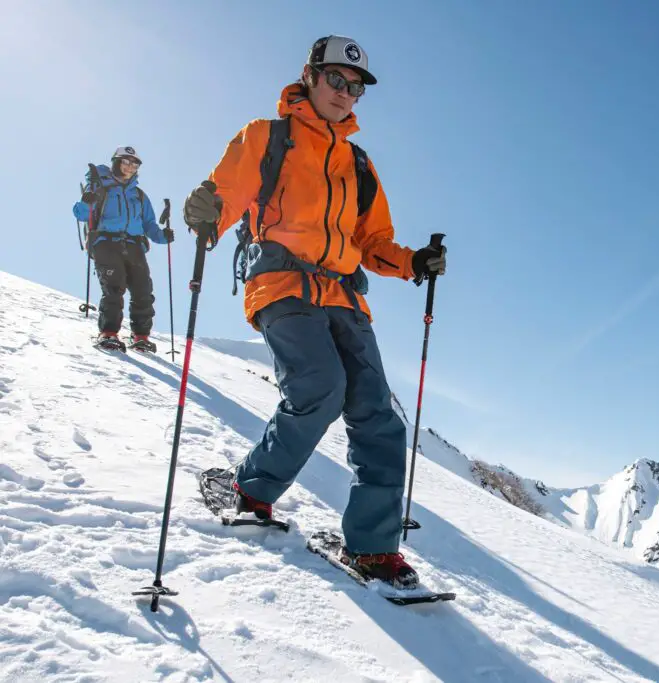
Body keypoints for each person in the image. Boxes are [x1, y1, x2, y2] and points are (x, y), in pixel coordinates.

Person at [182, 35, 446, 588]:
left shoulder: (360, 162)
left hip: (345, 296)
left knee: (378, 413)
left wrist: (414, 261)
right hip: (280, 283)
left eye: (356, 88)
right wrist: (209, 210)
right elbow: (226, 192)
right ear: (309, 75)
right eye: (336, 80)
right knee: (319, 387)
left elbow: (373, 241)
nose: (345, 93)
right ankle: (251, 489)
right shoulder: (267, 135)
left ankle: (374, 548)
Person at [73, 147, 174, 351]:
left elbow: (149, 225)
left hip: (134, 245)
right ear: (115, 163)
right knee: (114, 286)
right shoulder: (99, 186)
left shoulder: (139, 195)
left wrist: (163, 236)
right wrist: (87, 201)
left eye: (134, 164)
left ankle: (141, 337)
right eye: (126, 162)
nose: (130, 167)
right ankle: (108, 333)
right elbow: (82, 214)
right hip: (106, 242)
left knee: (143, 289)